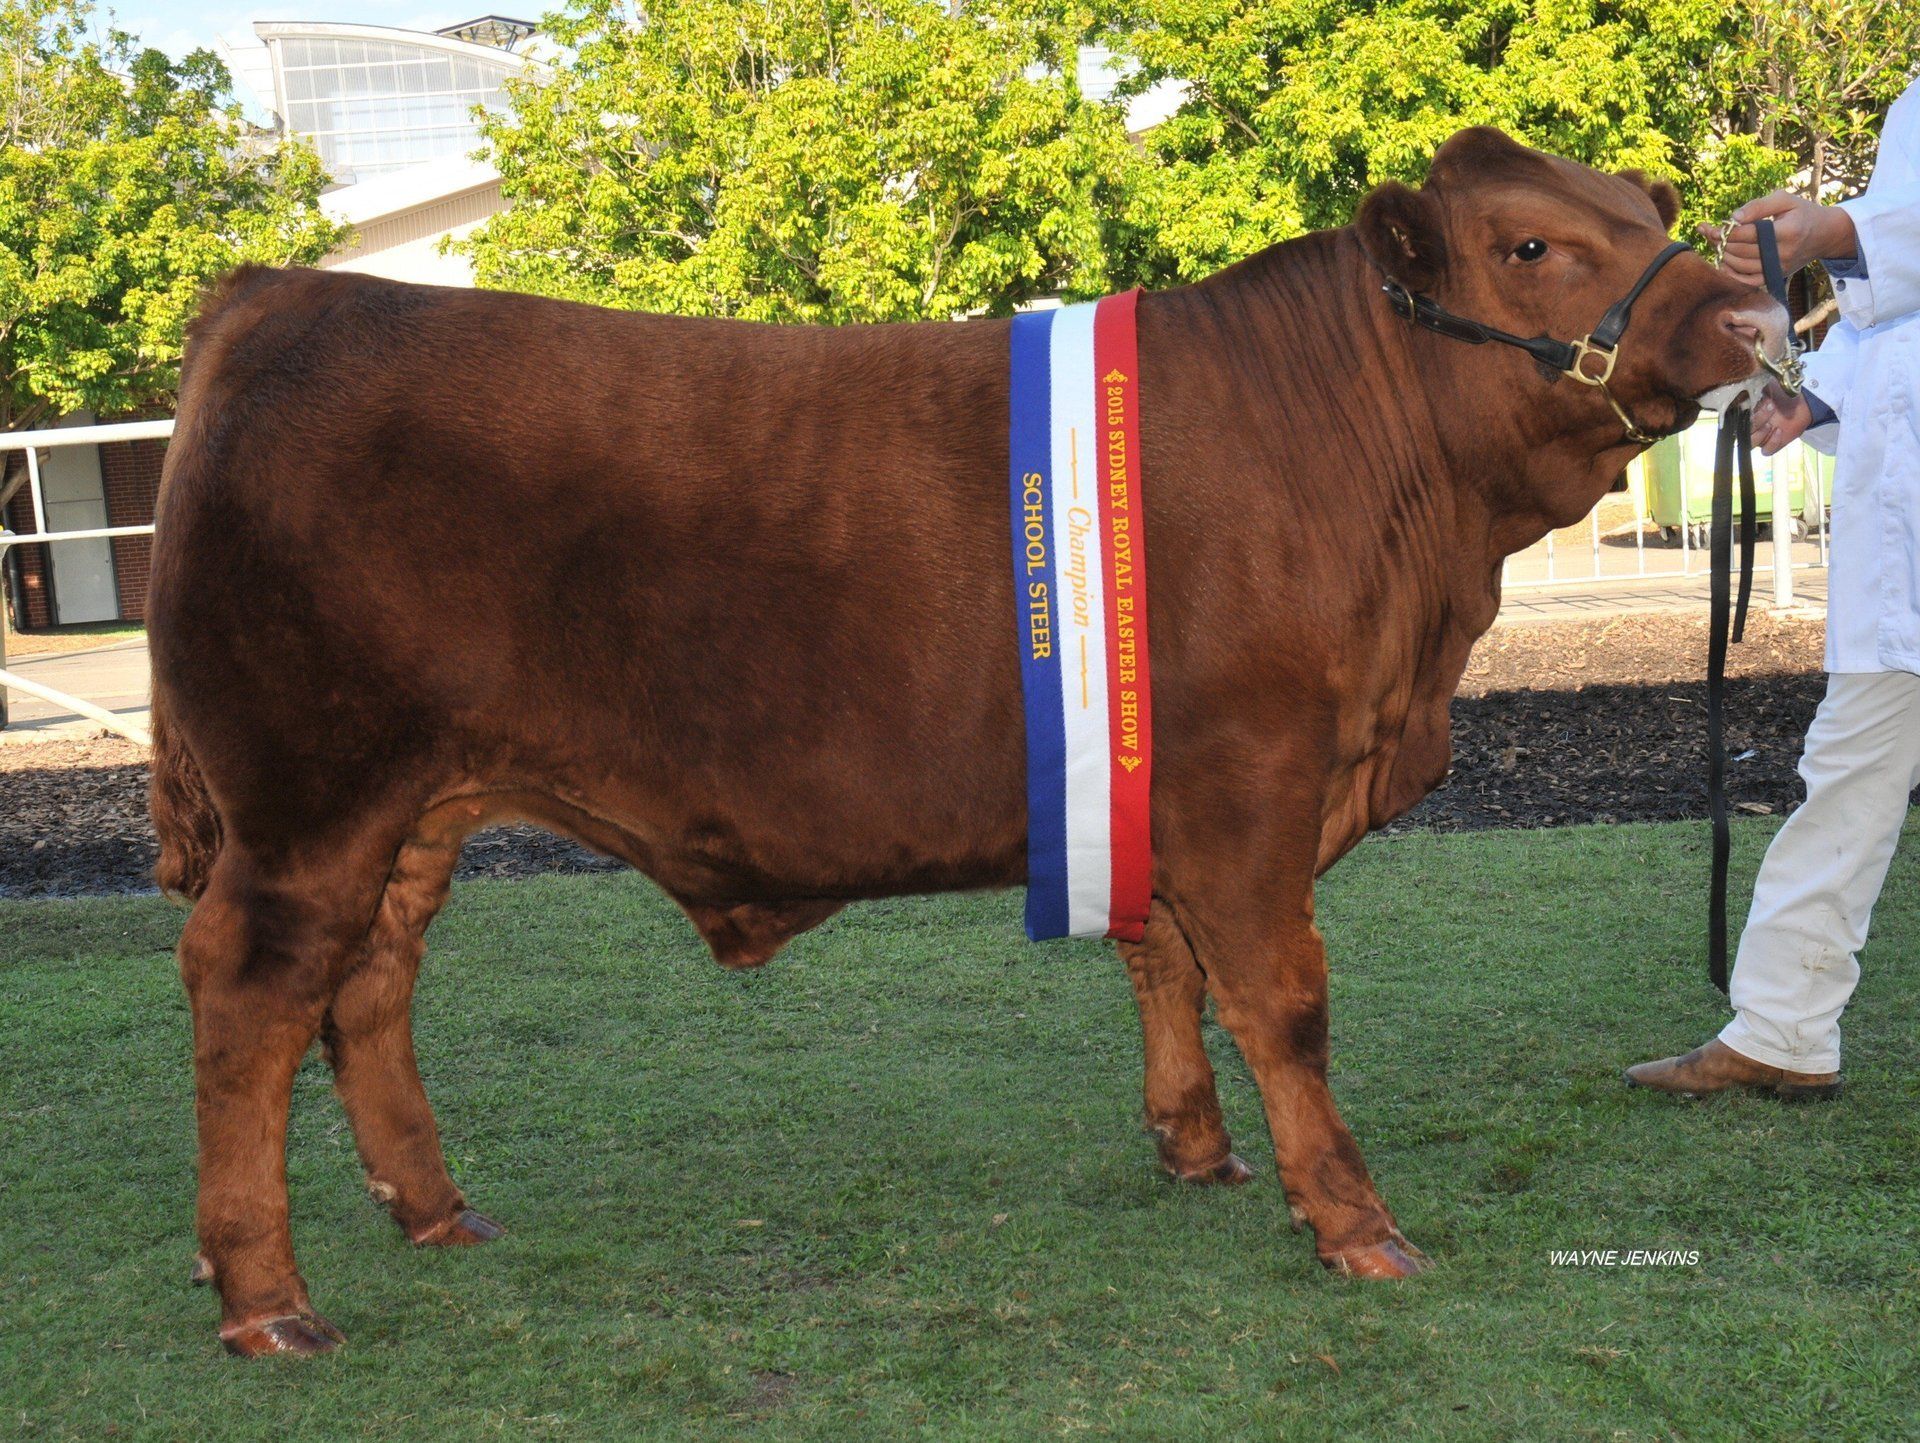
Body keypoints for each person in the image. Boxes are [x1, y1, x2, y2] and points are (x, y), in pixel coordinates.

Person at [1628, 78, 1920, 1099]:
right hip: (1902, 551)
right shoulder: (1913, 99)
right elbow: (1903, 316)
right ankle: (1783, 1030)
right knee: (1843, 779)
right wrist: (1814, 396)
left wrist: (1834, 228)